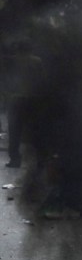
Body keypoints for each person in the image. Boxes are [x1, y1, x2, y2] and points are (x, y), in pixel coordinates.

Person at [5, 39, 43, 168]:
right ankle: (40, 159)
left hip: (15, 99)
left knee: (14, 131)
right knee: (35, 131)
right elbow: (40, 80)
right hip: (32, 99)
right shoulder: (37, 61)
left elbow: (6, 80)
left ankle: (15, 159)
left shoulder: (12, 61)